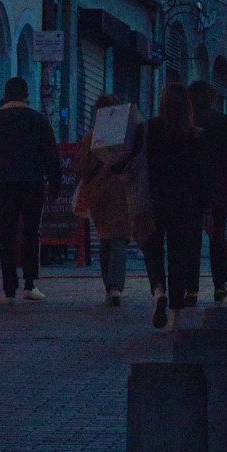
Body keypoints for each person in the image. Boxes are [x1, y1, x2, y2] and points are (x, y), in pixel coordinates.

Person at [0, 76, 61, 305]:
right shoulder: (38, 120)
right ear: (26, 95)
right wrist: (54, 184)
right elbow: (50, 155)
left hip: (4, 183)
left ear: (5, 94)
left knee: (6, 232)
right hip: (32, 181)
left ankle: (9, 287)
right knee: (31, 232)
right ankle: (30, 283)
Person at [143, 82, 205, 331]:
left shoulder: (151, 129)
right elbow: (200, 174)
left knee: (153, 246)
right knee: (179, 254)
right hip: (185, 202)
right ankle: (176, 312)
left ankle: (158, 290)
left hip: (156, 198)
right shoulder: (195, 135)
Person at [73, 94, 135, 306]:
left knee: (106, 240)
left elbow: (82, 167)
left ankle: (110, 285)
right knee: (118, 239)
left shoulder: (92, 137)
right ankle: (115, 286)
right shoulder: (128, 135)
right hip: (121, 191)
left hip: (98, 193)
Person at [188, 80, 227, 303]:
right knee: (217, 238)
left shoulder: (184, 123)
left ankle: (191, 287)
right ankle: (220, 284)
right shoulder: (225, 123)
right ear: (212, 99)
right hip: (218, 190)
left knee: (190, 240)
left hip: (189, 191)